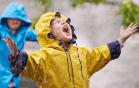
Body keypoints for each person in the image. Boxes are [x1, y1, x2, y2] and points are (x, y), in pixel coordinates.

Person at [5, 12, 138, 88]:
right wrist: (16, 55)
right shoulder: (45, 56)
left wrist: (120, 41)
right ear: (48, 33)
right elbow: (29, 66)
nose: (64, 23)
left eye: (64, 21)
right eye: (57, 22)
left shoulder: (82, 53)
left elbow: (100, 54)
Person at [0, 2, 37, 88]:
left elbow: (38, 35)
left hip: (16, 70)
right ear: (6, 19)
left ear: (22, 21)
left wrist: (54, 33)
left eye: (18, 18)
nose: (15, 20)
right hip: (2, 70)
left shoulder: (24, 32)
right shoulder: (1, 31)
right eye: (12, 18)